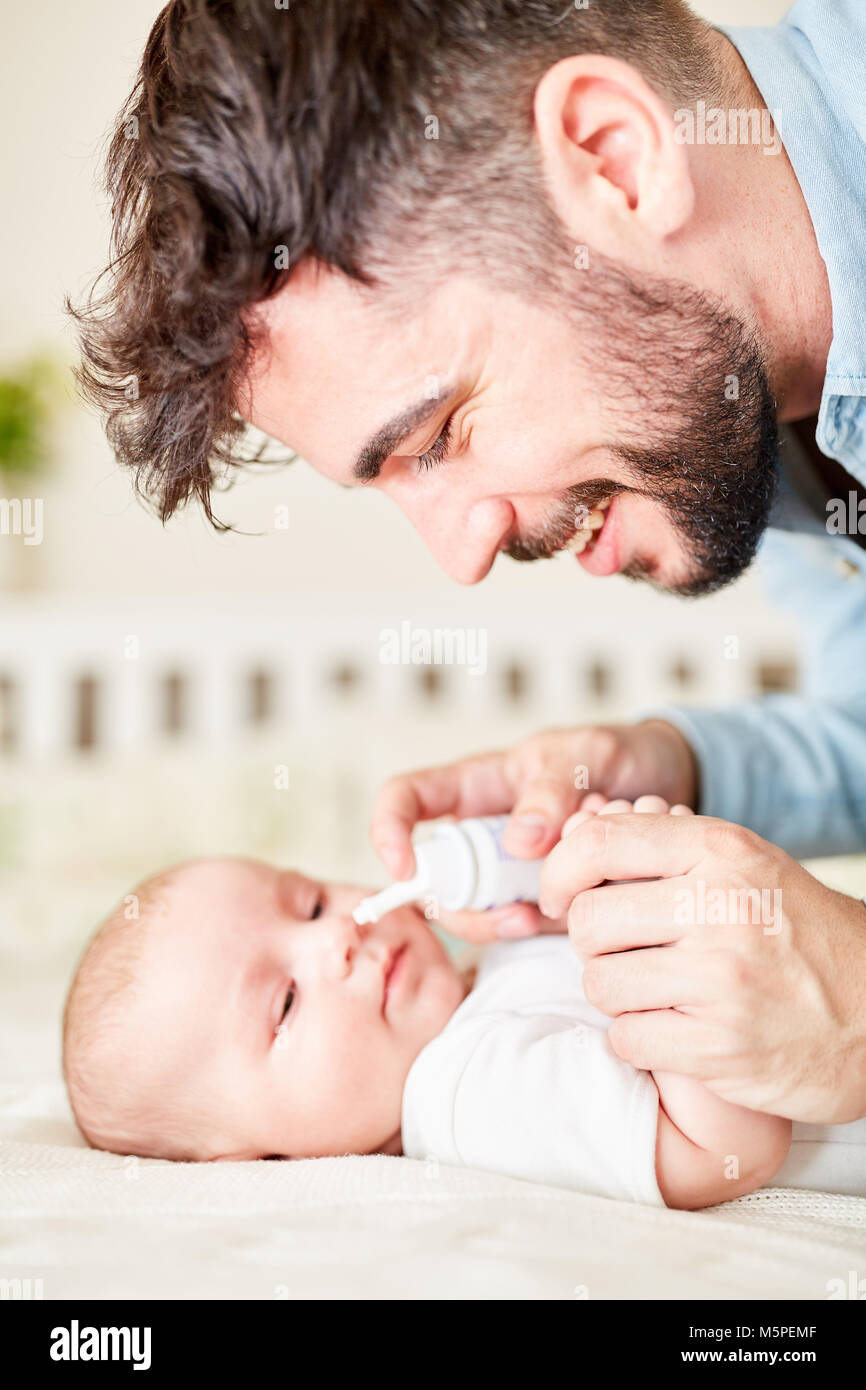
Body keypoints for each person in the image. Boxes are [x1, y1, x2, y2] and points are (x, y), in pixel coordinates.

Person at [68, 1, 866, 1124]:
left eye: (437, 435)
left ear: (615, 160)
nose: (462, 556)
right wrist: (669, 768)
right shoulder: (752, 407)